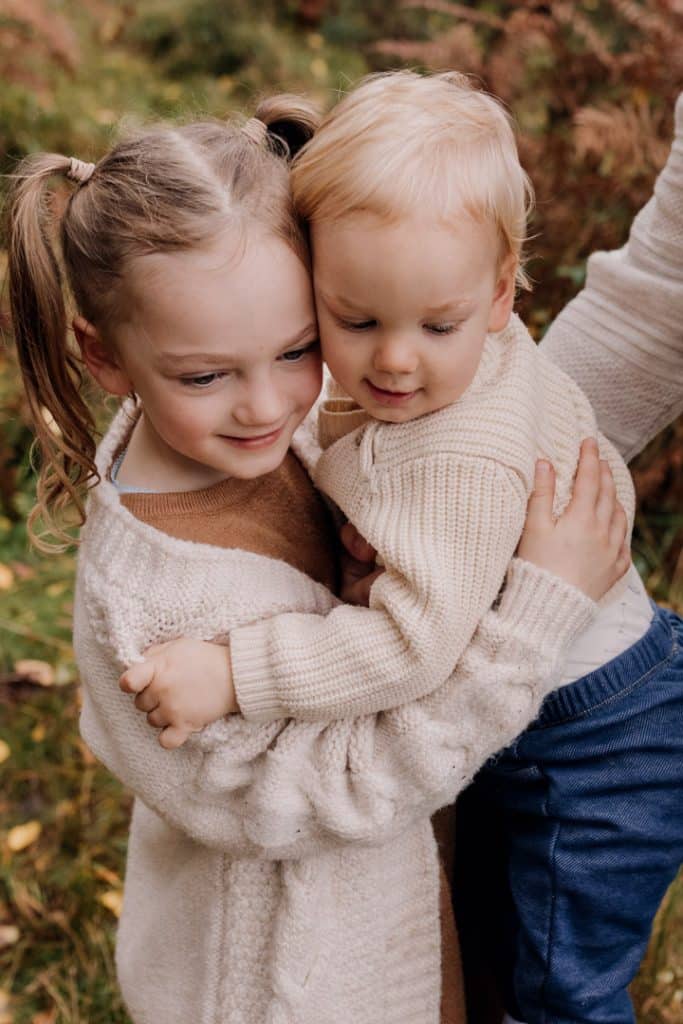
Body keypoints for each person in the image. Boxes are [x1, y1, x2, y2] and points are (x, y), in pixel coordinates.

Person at [6, 97, 627, 1023]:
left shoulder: (281, 429)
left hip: (384, 931)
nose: (267, 404)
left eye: (298, 349)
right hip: (282, 982)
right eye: (205, 375)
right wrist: (535, 612)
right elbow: (336, 791)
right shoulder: (150, 606)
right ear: (103, 355)